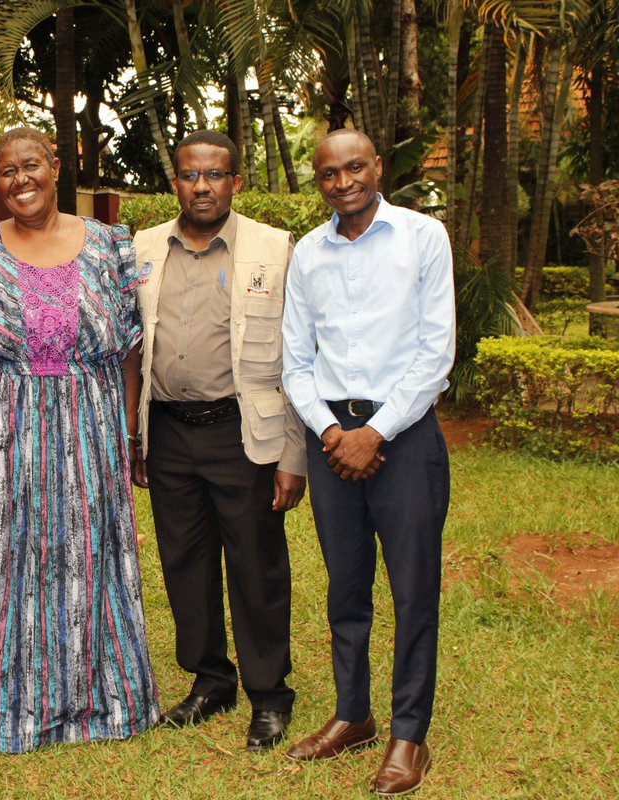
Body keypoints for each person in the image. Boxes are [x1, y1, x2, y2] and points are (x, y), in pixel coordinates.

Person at [0, 126, 160, 753]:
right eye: (6, 170)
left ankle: (95, 701)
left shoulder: (109, 245)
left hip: (89, 434)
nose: (20, 180)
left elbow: (129, 347)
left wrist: (126, 433)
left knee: (85, 558)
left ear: (55, 166)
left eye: (31, 165)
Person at [280, 128, 454, 797]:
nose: (344, 181)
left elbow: (435, 353)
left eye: (356, 167)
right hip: (331, 440)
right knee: (345, 588)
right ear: (317, 180)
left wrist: (373, 432)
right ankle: (352, 714)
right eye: (329, 173)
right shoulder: (309, 253)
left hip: (403, 436)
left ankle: (409, 735)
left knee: (413, 592)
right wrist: (332, 430)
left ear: (377, 167)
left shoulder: (421, 237)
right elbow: (295, 359)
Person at [130, 130, 306, 751]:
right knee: (185, 563)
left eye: (214, 174)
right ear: (174, 180)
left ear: (236, 181)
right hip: (169, 433)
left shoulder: (275, 248)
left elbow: (297, 356)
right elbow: (130, 348)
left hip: (244, 435)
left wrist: (293, 454)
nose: (201, 186)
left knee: (256, 565)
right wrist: (135, 438)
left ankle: (268, 692)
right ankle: (210, 679)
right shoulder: (142, 248)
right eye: (188, 174)